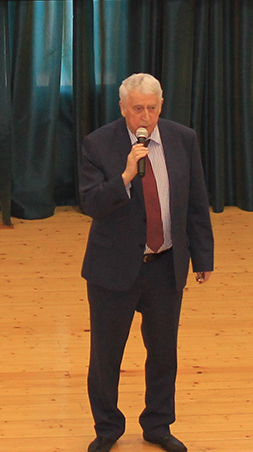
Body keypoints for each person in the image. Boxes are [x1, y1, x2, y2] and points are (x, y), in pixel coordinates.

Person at [80, 73, 214, 452]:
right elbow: (91, 203)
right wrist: (125, 175)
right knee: (106, 356)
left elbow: (196, 202)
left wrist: (202, 256)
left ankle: (157, 424)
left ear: (161, 106)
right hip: (113, 269)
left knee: (164, 353)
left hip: (165, 265)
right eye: (137, 108)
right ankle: (107, 427)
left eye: (152, 108)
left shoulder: (183, 139)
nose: (145, 117)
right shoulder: (98, 144)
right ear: (122, 107)